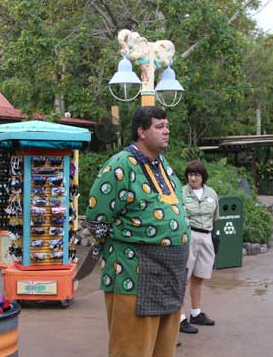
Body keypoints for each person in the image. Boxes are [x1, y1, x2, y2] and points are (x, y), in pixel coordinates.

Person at [86, 106, 190, 357]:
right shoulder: (120, 165)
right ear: (141, 132)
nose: (167, 131)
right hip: (134, 273)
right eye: (159, 126)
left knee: (163, 349)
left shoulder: (162, 164)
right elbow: (97, 219)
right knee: (132, 349)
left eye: (167, 126)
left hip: (171, 273)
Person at [178, 160, 219, 334]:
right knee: (183, 278)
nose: (193, 178)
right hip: (188, 236)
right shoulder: (181, 192)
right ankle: (179, 318)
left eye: (196, 175)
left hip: (206, 236)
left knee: (199, 276)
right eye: (190, 174)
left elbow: (216, 216)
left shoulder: (211, 193)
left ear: (203, 177)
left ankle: (196, 313)